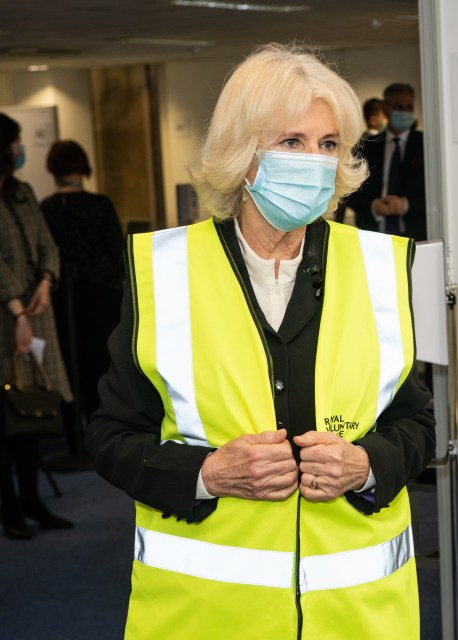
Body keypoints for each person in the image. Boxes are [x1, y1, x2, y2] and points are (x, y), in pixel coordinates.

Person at [85, 43, 435, 639]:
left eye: (328, 145)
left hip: (359, 620)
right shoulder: (166, 271)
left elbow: (417, 424)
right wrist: (209, 474)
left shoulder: (381, 268)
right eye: (291, 142)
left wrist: (366, 463)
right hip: (205, 619)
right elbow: (112, 437)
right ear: (243, 154)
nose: (316, 162)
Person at [0, 112, 74, 539]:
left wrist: (47, 280)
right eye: (14, 143)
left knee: (33, 408)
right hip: (6, 318)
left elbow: (47, 243)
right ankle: (10, 508)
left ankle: (32, 500)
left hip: (35, 309)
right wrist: (16, 314)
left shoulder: (24, 192)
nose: (19, 150)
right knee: (7, 415)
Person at [40, 140, 124, 446]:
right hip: (102, 298)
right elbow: (117, 253)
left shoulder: (46, 208)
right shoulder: (100, 204)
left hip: (62, 300)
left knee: (67, 362)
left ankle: (73, 436)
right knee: (102, 365)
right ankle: (103, 434)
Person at [348, 82, 427, 241]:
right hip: (373, 235)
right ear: (385, 109)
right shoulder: (367, 147)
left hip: (416, 236)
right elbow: (351, 190)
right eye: (399, 107)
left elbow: (437, 192)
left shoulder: (426, 145)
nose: (404, 112)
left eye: (408, 107)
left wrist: (406, 205)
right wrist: (373, 206)